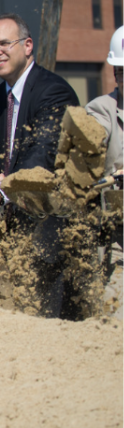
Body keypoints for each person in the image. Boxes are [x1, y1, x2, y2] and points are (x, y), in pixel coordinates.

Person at [0, 13, 79, 317]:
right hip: (11, 230)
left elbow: (42, 158)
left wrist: (1, 189)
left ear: (28, 46)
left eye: (5, 43)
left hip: (50, 228)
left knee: (50, 322)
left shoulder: (54, 92)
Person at [85, 26, 123, 319]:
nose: (121, 78)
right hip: (118, 241)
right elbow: (92, 136)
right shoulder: (103, 109)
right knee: (113, 317)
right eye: (119, 71)